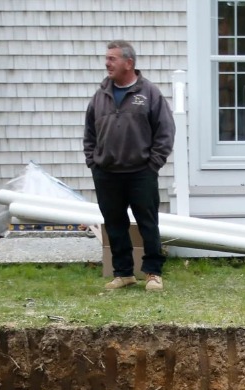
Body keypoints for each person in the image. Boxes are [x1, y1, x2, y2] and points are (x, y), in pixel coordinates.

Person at [84, 40, 174, 293]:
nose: (107, 63)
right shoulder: (100, 96)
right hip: (107, 173)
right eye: (107, 58)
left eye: (112, 58)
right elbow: (89, 133)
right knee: (114, 224)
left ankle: (153, 273)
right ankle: (123, 273)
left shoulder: (149, 93)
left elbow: (165, 132)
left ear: (129, 63)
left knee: (148, 223)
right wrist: (94, 162)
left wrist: (153, 164)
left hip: (140, 173)